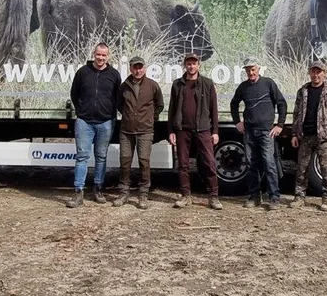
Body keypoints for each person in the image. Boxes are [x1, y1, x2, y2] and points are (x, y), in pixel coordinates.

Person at [66, 42, 122, 208]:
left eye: (104, 55)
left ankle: (98, 189)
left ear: (108, 57)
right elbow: (74, 93)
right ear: (94, 54)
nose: (100, 58)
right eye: (98, 54)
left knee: (101, 157)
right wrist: (82, 110)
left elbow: (117, 97)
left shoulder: (114, 74)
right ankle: (78, 192)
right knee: (82, 157)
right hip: (84, 122)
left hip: (105, 122)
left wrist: (109, 113)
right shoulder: (83, 72)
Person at [230, 56, 287, 210]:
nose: (251, 72)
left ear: (258, 69)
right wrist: (237, 122)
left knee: (269, 164)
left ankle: (274, 197)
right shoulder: (243, 87)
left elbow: (281, 103)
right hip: (249, 132)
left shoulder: (268, 83)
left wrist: (280, 125)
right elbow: (234, 104)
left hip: (266, 132)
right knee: (250, 165)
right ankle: (255, 196)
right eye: (248, 70)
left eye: (253, 69)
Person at [167, 51, 223, 210]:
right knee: (183, 164)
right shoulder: (177, 84)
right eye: (189, 63)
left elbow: (214, 109)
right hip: (182, 130)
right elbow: (172, 109)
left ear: (199, 65)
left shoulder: (207, 83)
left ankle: (213, 197)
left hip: (203, 130)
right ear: (185, 65)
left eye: (194, 63)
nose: (191, 66)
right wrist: (171, 130)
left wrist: (215, 131)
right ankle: (185, 196)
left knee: (210, 163)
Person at [290, 60, 327, 211]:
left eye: (319, 72)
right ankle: (299, 197)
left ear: (324, 73)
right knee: (302, 168)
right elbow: (296, 114)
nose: (316, 74)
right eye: (313, 71)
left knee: (326, 169)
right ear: (309, 73)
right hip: (305, 136)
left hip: (325, 137)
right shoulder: (303, 91)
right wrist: (294, 133)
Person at [114, 55, 164, 209]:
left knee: (144, 162)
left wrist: (150, 119)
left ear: (145, 68)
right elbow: (119, 104)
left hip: (145, 131)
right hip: (126, 131)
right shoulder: (124, 86)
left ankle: (143, 194)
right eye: (135, 67)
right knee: (125, 161)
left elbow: (160, 105)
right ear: (130, 68)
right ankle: (124, 192)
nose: (138, 70)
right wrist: (129, 116)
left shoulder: (153, 86)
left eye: (140, 67)